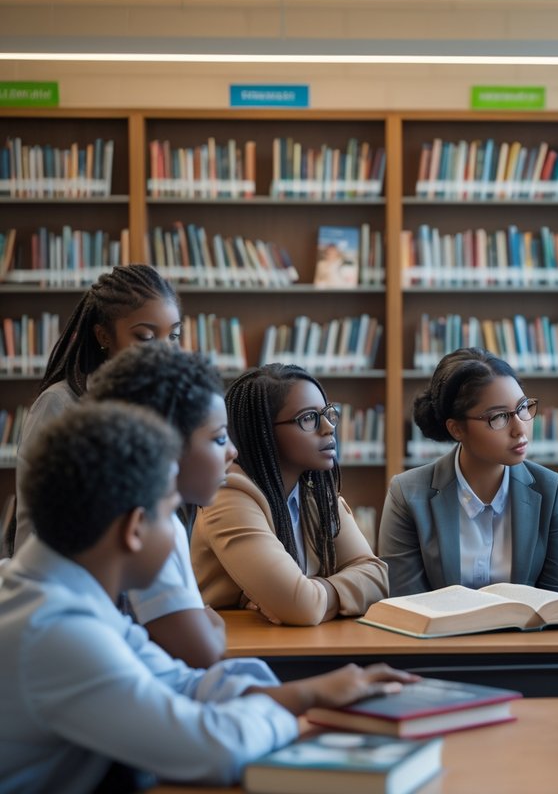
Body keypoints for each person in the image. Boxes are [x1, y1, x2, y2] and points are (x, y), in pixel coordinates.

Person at [0, 401, 415, 793]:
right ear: (134, 528)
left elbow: (177, 683)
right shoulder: (55, 630)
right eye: (173, 512)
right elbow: (216, 749)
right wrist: (291, 711)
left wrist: (309, 693)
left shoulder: (62, 594)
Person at [191, 364, 388, 625]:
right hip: (236, 650)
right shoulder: (227, 496)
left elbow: (378, 577)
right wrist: (308, 598)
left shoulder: (314, 491)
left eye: (328, 414)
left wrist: (312, 592)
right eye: (308, 418)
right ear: (263, 432)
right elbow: (301, 607)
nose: (328, 427)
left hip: (300, 644)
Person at [11, 264, 182, 553]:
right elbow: (39, 526)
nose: (165, 353)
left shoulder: (163, 404)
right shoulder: (60, 404)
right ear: (104, 336)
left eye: (174, 337)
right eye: (147, 338)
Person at [379, 347, 558, 596]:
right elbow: (408, 602)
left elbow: (556, 602)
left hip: (526, 636)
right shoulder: (407, 495)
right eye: (500, 417)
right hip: (438, 635)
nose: (520, 428)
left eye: (523, 408)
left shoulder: (551, 490)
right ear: (457, 429)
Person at [88, 342, 236, 667]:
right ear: (166, 445)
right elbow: (203, 654)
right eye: (219, 438)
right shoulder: (149, 530)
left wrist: (208, 620)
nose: (232, 452)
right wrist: (211, 622)